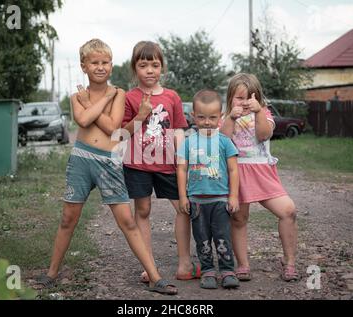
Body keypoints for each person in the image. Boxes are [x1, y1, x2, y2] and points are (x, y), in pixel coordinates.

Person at [36, 39, 177, 295]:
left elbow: (114, 130)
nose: (100, 67)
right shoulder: (76, 97)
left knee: (127, 220)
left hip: (108, 162)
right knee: (68, 218)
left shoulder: (120, 94)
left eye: (105, 63)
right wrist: (97, 102)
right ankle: (51, 273)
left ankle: (155, 277)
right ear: (84, 66)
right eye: (94, 63)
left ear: (111, 66)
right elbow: (82, 119)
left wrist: (96, 102)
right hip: (81, 159)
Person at [121, 41, 201, 283]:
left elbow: (178, 130)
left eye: (155, 65)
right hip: (137, 164)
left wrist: (181, 159)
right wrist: (141, 116)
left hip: (168, 164)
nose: (149, 70)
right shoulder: (129, 98)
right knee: (142, 211)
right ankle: (149, 266)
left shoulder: (172, 97)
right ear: (134, 68)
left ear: (162, 68)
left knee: (182, 208)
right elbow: (122, 133)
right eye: (143, 65)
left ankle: (184, 264)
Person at [220, 73, 299, 282]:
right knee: (238, 218)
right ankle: (243, 264)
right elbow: (223, 140)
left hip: (262, 172)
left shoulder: (264, 113)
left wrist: (258, 112)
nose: (244, 102)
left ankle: (289, 262)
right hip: (237, 173)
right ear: (230, 99)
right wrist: (231, 117)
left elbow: (263, 134)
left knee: (288, 211)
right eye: (239, 98)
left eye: (249, 97)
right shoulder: (226, 117)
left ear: (258, 98)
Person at [177, 89, 240, 289]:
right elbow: (181, 169)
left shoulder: (225, 142)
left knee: (223, 236)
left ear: (220, 117)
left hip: (220, 199)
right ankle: (208, 271)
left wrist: (234, 196)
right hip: (197, 200)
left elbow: (233, 170)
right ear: (193, 116)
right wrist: (183, 197)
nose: (207, 122)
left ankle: (228, 270)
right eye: (201, 117)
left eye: (212, 117)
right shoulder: (188, 142)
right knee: (202, 238)